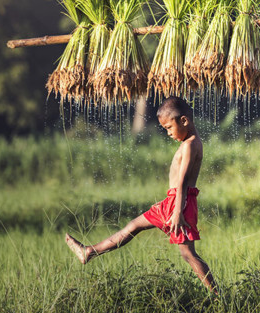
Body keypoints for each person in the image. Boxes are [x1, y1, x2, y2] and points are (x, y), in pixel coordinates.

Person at [64, 96, 216, 292]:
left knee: (187, 253)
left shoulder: (190, 145)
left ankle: (217, 296)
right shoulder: (191, 142)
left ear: (184, 121)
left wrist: (177, 211)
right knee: (136, 226)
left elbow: (182, 182)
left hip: (180, 203)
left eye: (169, 128)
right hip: (175, 202)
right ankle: (89, 252)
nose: (168, 133)